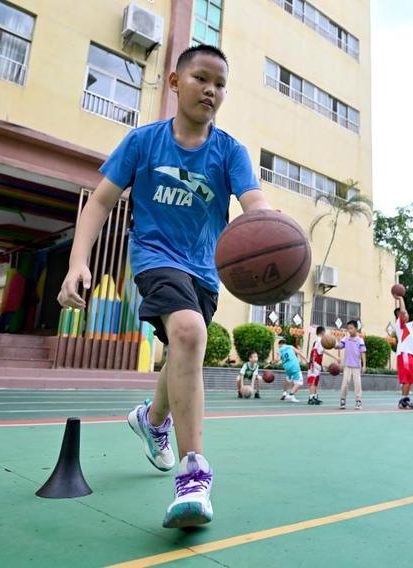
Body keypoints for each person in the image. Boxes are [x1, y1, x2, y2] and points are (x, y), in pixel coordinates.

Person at [57, 45, 270, 529]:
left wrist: (274, 229)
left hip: (205, 269)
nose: (211, 90)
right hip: (154, 258)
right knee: (191, 334)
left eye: (220, 84)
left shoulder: (229, 150)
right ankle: (194, 474)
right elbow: (100, 202)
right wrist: (77, 262)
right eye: (201, 78)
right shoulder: (143, 142)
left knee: (183, 349)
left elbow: (253, 201)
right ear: (175, 83)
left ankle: (153, 421)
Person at [393, 296, 413, 409]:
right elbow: (403, 311)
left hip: (411, 355)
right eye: (403, 314)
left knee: (410, 379)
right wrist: (400, 298)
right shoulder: (400, 325)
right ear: (399, 316)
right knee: (406, 378)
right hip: (404, 354)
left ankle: (405, 400)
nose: (406, 314)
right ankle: (403, 401)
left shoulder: (409, 326)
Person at [337, 320, 367, 410]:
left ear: (356, 329)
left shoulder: (360, 340)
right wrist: (332, 344)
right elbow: (339, 345)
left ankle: (358, 401)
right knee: (345, 383)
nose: (349, 330)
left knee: (357, 384)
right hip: (347, 366)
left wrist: (364, 365)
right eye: (348, 328)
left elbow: (363, 353)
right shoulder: (345, 339)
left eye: (351, 328)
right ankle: (343, 400)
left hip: (357, 366)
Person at [305, 326, 338, 406]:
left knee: (315, 380)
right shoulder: (320, 340)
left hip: (316, 361)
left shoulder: (317, 340)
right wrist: (335, 357)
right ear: (323, 332)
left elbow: (320, 352)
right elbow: (323, 351)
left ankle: (314, 397)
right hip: (314, 362)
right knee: (313, 380)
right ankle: (311, 398)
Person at [278, 338, 307, 403]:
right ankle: (291, 394)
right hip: (294, 366)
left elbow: (277, 359)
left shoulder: (279, 350)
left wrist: (272, 362)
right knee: (300, 382)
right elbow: (299, 353)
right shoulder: (290, 346)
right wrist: (306, 360)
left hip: (287, 368)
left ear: (280, 344)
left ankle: (284, 392)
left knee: (288, 379)